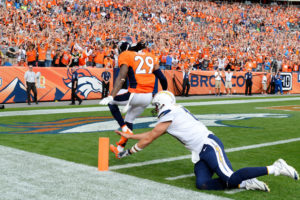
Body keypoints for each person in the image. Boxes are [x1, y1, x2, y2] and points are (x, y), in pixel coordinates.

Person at [116, 90, 299, 192]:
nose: (155, 109)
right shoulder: (173, 112)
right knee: (202, 184)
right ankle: (244, 182)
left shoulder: (169, 113)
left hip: (208, 145)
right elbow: (153, 133)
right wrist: (131, 137)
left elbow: (151, 137)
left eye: (156, 105)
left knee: (229, 178)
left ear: (162, 104)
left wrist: (129, 151)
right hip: (199, 152)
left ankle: (276, 167)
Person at [99, 41, 168, 157]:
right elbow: (162, 78)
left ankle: (124, 128)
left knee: (111, 101)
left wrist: (111, 95)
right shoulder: (151, 56)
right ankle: (120, 150)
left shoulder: (126, 55)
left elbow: (121, 77)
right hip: (147, 98)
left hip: (134, 94)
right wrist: (165, 94)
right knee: (130, 119)